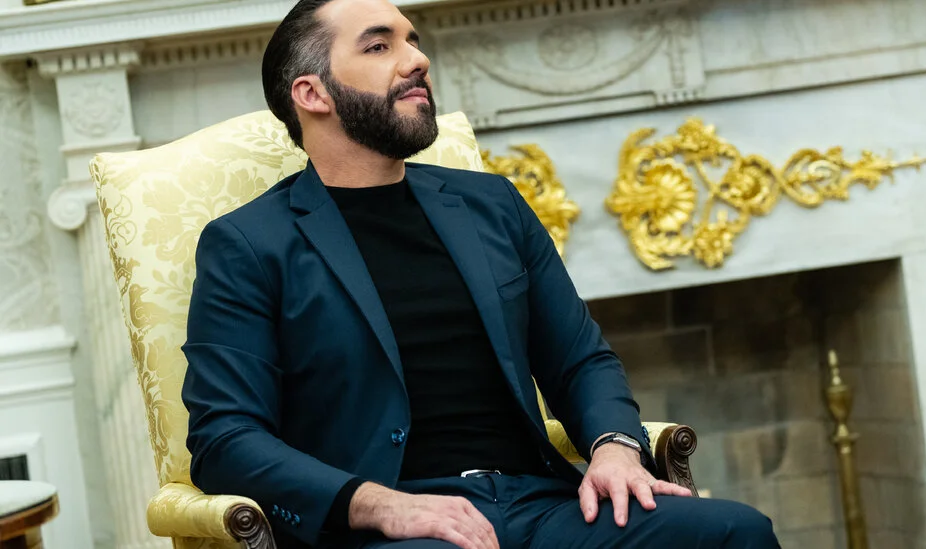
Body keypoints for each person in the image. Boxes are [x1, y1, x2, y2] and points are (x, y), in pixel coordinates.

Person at [181, 0, 781, 547]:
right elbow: (225, 438)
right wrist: (378, 505)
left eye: (413, 41)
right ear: (313, 94)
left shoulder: (493, 204)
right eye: (380, 45)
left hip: (544, 506)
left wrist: (616, 449)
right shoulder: (248, 245)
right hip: (393, 530)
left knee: (736, 532)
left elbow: (580, 361)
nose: (417, 60)